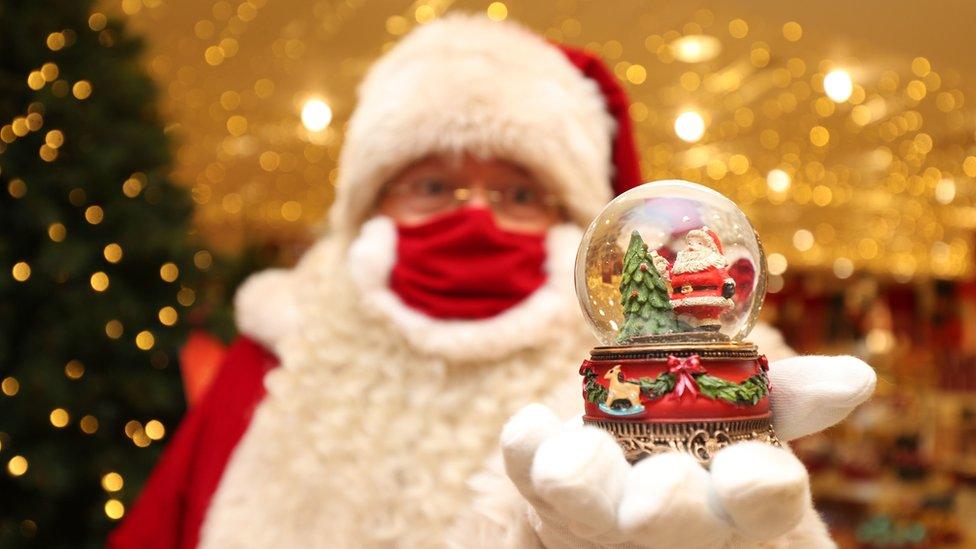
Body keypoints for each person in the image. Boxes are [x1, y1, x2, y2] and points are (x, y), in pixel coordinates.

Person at [109, 14, 875, 548]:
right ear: (370, 202)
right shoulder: (274, 356)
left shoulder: (668, 376)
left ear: (571, 218)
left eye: (516, 192)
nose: (473, 220)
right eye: (433, 185)